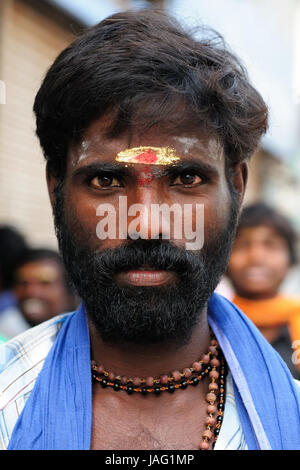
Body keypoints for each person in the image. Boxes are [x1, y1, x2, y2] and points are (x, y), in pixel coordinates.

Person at [0, 10, 300, 451]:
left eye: (185, 179)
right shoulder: (9, 398)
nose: (145, 225)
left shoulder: (290, 411)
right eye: (106, 180)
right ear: (56, 188)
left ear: (236, 188)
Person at [226, 202, 300, 378]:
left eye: (271, 245)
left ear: (290, 260)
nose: (256, 257)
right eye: (242, 245)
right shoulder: (206, 327)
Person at [0, 248, 77, 338]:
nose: (31, 292)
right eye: (23, 283)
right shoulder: (4, 336)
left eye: (45, 283)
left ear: (69, 291)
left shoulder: (89, 337)